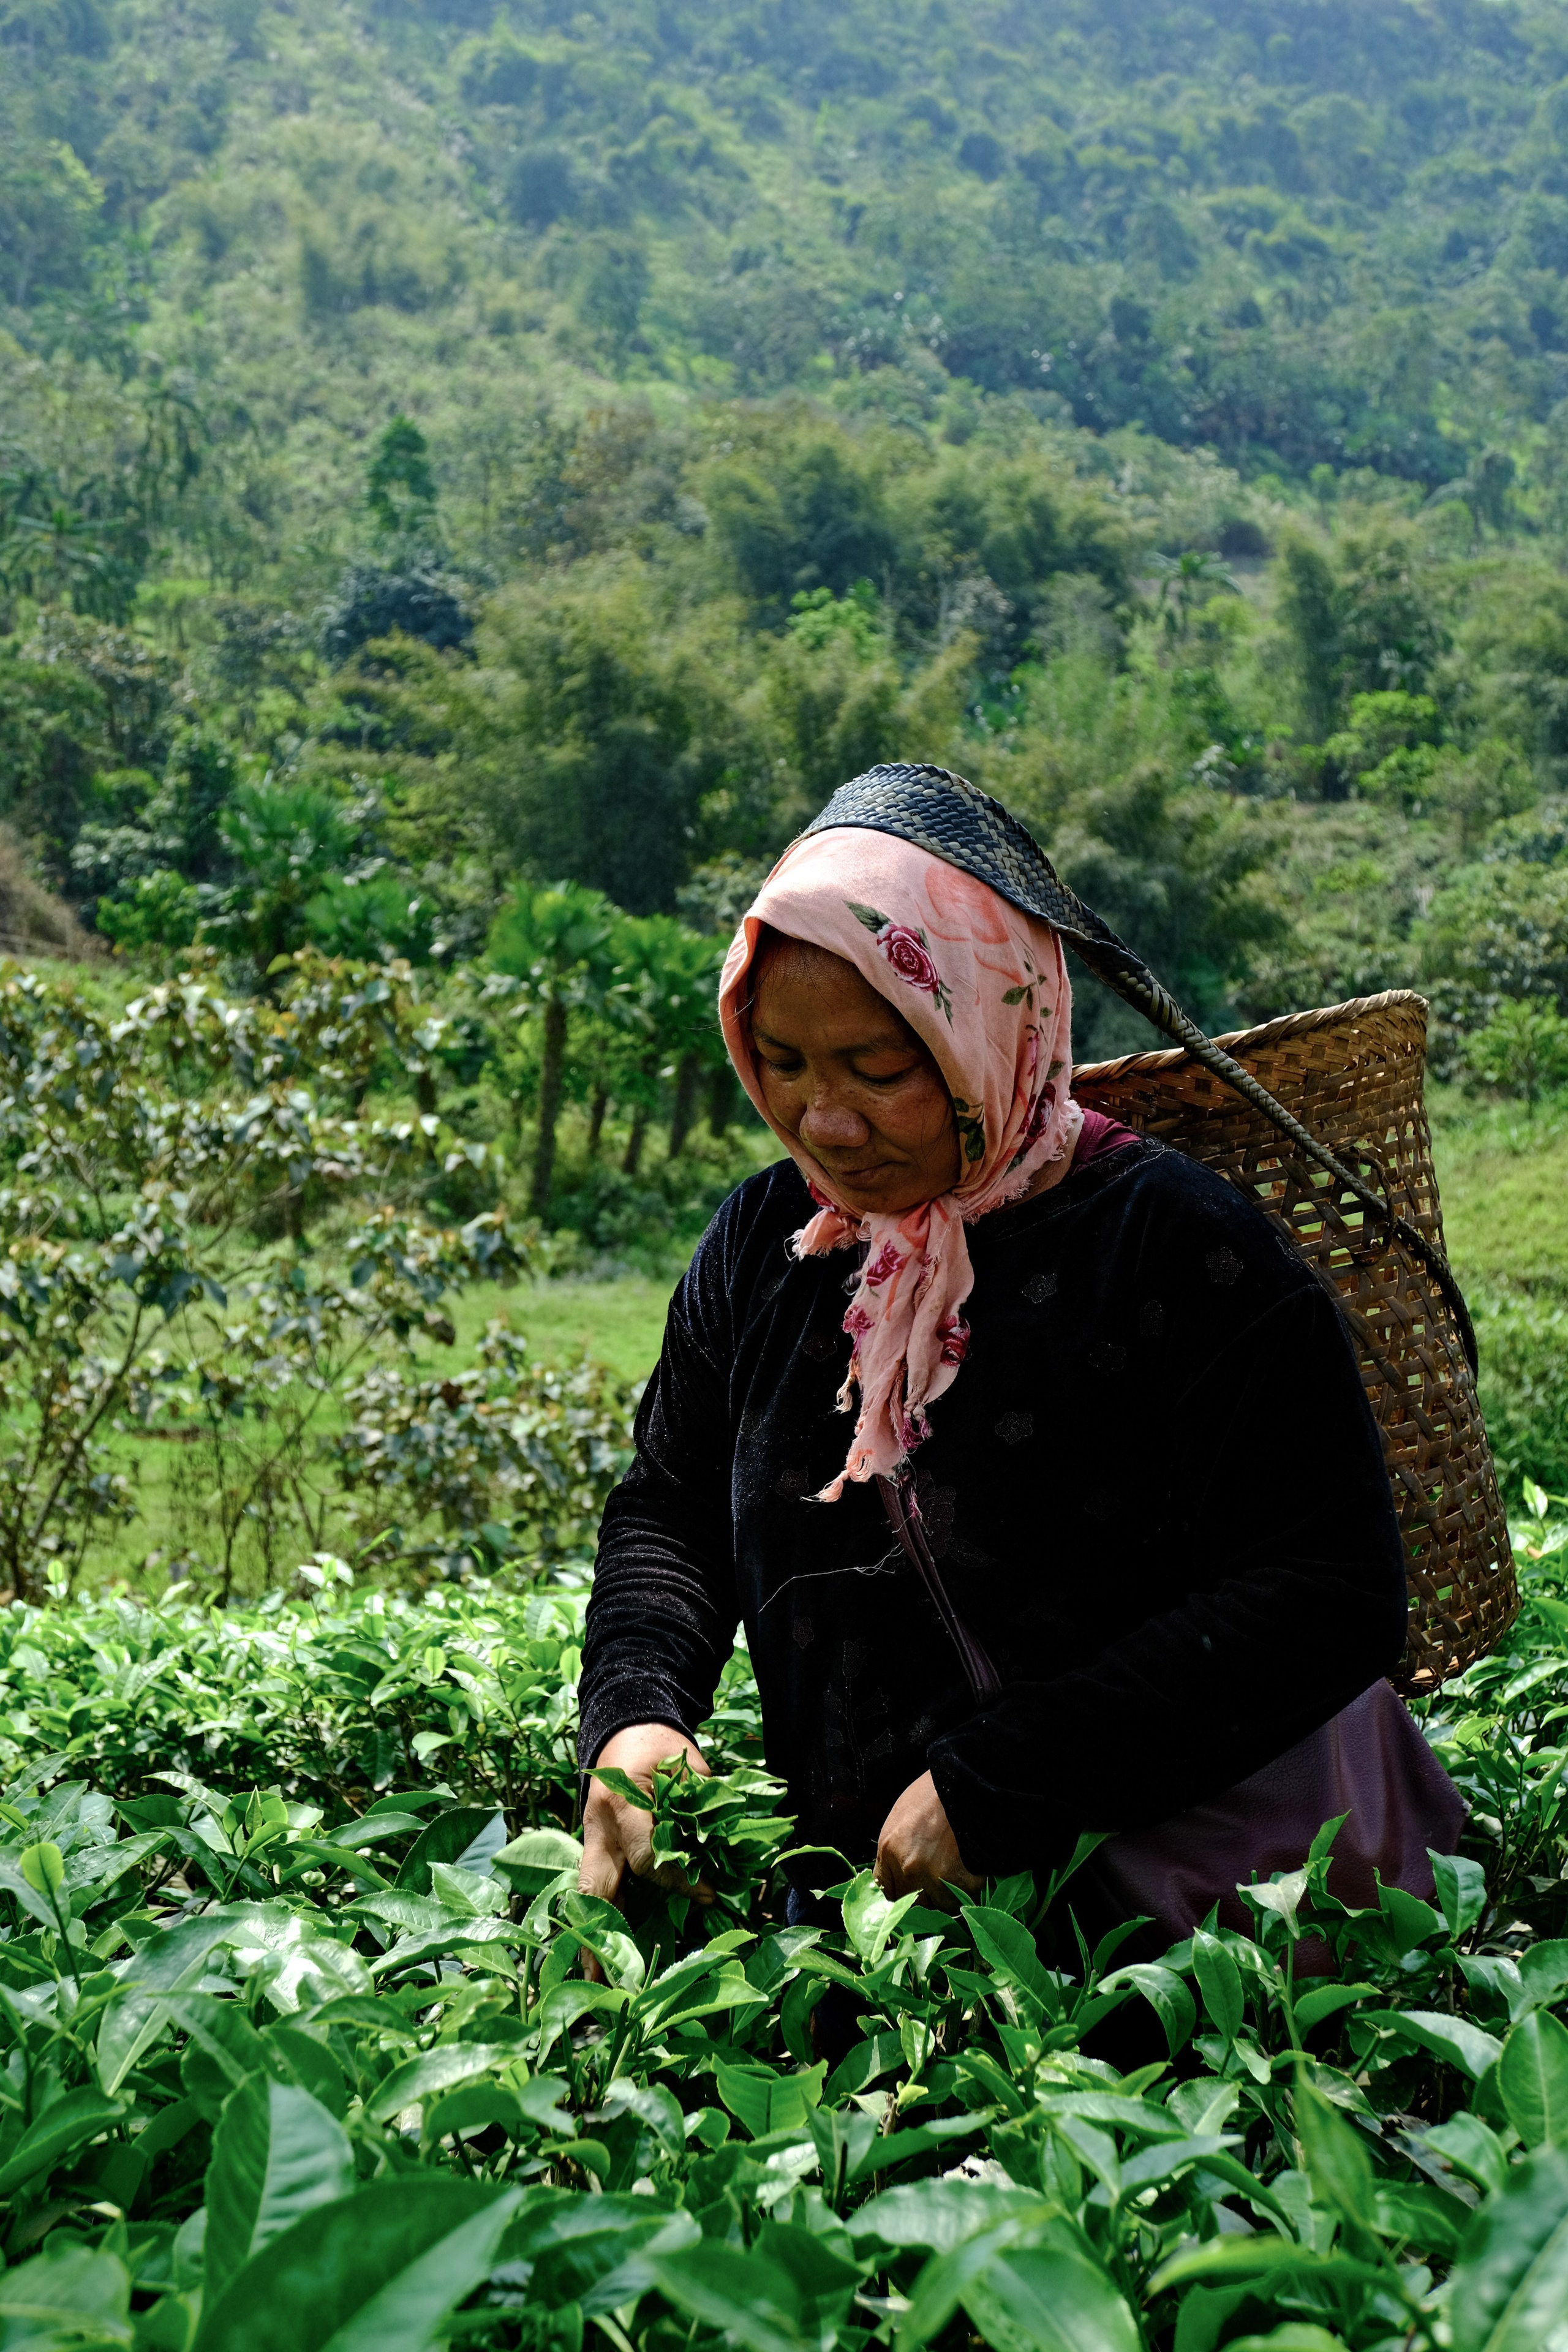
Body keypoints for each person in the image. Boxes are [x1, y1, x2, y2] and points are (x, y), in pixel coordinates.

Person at [576, 771, 1442, 1936]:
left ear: (989, 1024)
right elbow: (669, 1510)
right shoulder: (764, 1246)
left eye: (880, 1069)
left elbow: (1330, 1592)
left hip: (1190, 1934)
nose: (825, 1120)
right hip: (876, 1937)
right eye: (781, 1061)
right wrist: (636, 1714)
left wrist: (1008, 1786)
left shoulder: (1172, 1242)